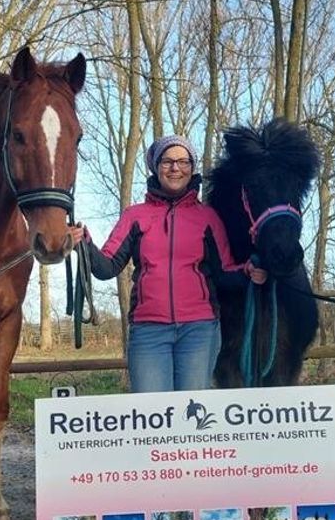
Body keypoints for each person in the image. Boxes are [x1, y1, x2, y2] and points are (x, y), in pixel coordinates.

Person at [70, 134, 266, 393]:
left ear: (192, 168)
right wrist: (83, 243)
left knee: (192, 416)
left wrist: (248, 272)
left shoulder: (208, 217)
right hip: (148, 331)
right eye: (167, 161)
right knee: (151, 417)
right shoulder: (134, 216)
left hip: (199, 330)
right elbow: (106, 267)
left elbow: (224, 271)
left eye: (184, 161)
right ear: (155, 167)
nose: (175, 168)